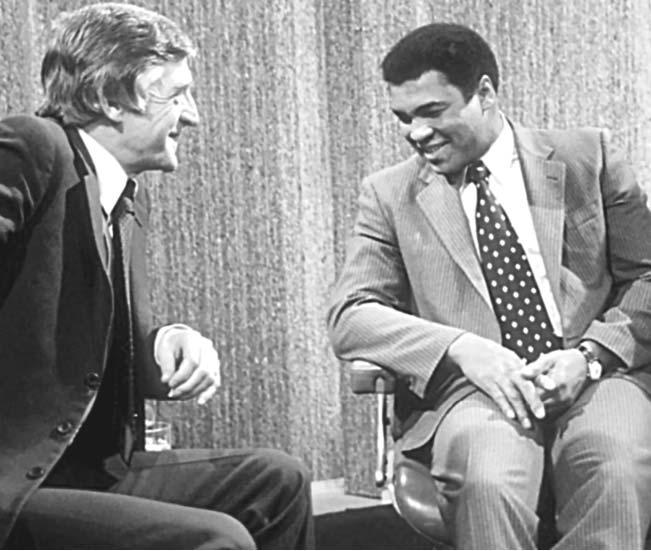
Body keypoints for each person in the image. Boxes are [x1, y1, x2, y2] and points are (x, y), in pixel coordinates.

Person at [0, 3, 313, 549]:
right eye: (177, 95)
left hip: (89, 468)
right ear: (109, 99)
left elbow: (102, 348)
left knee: (278, 480)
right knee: (218, 540)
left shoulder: (123, 198)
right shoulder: (35, 146)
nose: (192, 116)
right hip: (17, 477)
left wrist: (169, 340)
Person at [327, 22, 651, 549]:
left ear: (484, 93)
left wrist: (590, 357)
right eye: (404, 118)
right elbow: (350, 314)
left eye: (432, 111)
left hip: (595, 373)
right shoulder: (388, 195)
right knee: (490, 480)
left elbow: (647, 277)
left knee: (613, 465)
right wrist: (460, 348)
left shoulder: (588, 158)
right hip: (473, 391)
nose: (416, 133)